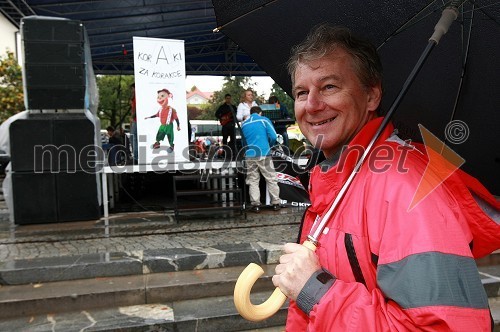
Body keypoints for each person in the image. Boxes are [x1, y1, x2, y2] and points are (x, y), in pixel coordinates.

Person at [271, 24, 499, 331]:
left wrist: (315, 290)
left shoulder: (406, 187)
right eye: (302, 92)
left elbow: (445, 327)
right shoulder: (341, 180)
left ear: (371, 96)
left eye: (329, 87)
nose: (311, 105)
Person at [241, 106, 281, 213]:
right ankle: (276, 203)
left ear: (250, 113)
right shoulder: (264, 120)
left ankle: (256, 205)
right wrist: (270, 145)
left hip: (249, 154)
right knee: (271, 178)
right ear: (260, 113)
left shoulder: (244, 124)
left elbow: (243, 142)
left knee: (253, 180)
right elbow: (273, 136)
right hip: (264, 153)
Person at [215, 93, 237, 158]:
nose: (228, 100)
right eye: (227, 98)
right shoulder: (222, 107)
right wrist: (222, 117)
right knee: (225, 140)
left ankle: (233, 154)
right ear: (225, 99)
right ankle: (224, 154)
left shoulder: (233, 107)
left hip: (232, 125)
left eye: (229, 98)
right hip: (225, 125)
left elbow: (236, 115)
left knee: (233, 140)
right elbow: (216, 114)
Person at [129, 83, 138, 163]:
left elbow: (136, 108)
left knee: (133, 137)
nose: (132, 90)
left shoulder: (137, 96)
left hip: (136, 120)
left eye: (132, 88)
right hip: (135, 119)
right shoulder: (134, 97)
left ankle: (136, 157)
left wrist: (132, 117)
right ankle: (136, 156)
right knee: (133, 137)